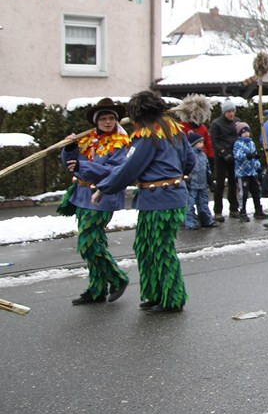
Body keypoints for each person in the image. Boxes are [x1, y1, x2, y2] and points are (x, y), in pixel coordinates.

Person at [92, 90, 195, 314]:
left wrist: (104, 188)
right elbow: (190, 160)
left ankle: (172, 299)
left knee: (160, 248)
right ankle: (155, 293)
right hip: (169, 196)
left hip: (159, 199)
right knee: (146, 247)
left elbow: (129, 169)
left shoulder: (147, 136)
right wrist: (176, 174)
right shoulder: (174, 130)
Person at [59, 98, 131, 305]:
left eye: (111, 118)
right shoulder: (88, 139)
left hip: (102, 197)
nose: (108, 122)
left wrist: (82, 167)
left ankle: (117, 278)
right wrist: (70, 149)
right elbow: (70, 166)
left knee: (87, 244)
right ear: (96, 121)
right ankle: (97, 289)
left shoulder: (121, 143)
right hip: (81, 196)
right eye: (104, 118)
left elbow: (114, 171)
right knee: (95, 242)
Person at [209, 99, 240, 220]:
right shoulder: (216, 124)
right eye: (228, 112)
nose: (231, 114)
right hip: (221, 157)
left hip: (234, 156)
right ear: (224, 112)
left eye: (232, 111)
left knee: (233, 184)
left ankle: (234, 208)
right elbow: (214, 141)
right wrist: (223, 152)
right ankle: (218, 211)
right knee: (220, 184)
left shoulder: (236, 122)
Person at [182, 132, 217, 230]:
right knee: (190, 204)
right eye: (200, 142)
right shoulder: (189, 155)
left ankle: (206, 220)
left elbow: (207, 168)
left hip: (202, 183)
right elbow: (185, 167)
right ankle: (190, 222)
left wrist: (210, 180)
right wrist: (186, 179)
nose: (202, 144)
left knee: (203, 203)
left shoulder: (203, 155)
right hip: (192, 183)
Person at [233, 122, 265, 221]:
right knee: (243, 194)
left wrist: (258, 167)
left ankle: (258, 210)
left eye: (247, 131)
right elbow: (237, 156)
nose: (246, 134)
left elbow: (254, 157)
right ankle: (242, 212)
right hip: (242, 173)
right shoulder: (238, 144)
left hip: (252, 172)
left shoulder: (251, 143)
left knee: (256, 191)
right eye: (243, 132)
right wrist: (246, 156)